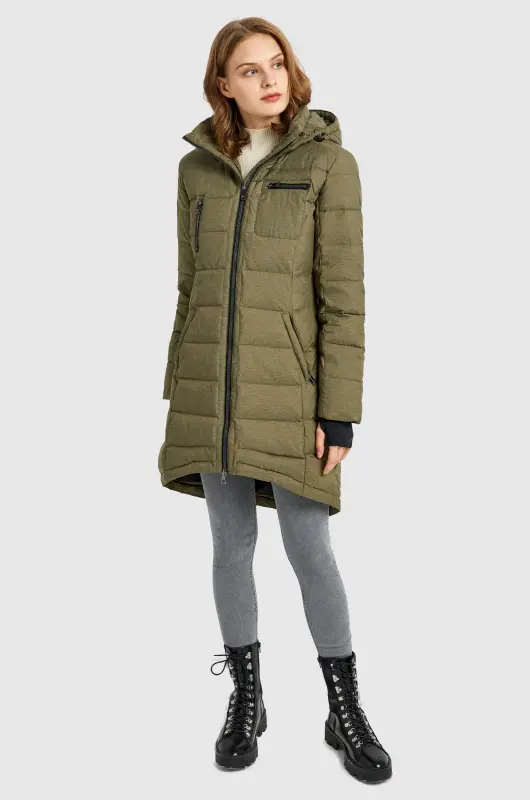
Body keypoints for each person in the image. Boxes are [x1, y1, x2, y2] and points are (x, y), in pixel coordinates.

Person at [158, 16, 392, 783]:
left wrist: (337, 410)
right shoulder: (196, 171)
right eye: (249, 70)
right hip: (211, 390)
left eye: (276, 65)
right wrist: (179, 387)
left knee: (308, 547)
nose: (267, 80)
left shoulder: (328, 164)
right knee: (229, 545)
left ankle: (343, 707)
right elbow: (190, 287)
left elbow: (343, 298)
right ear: (222, 84)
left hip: (293, 394)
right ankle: (247, 698)